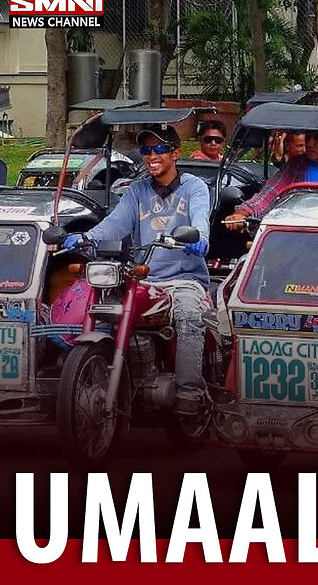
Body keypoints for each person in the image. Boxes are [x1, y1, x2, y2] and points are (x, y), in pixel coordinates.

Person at [62, 125, 212, 414]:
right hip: (145, 277)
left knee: (189, 314)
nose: (151, 155)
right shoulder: (137, 191)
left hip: (184, 279)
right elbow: (113, 224)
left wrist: (200, 239)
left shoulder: (194, 187)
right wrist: (83, 238)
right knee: (109, 311)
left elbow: (199, 219)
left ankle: (189, 391)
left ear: (175, 153)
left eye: (158, 149)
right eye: (146, 150)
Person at [224, 122, 318, 227]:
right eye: (308, 137)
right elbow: (269, 195)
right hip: (297, 237)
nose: (309, 143)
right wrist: (243, 214)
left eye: (317, 138)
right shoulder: (296, 166)